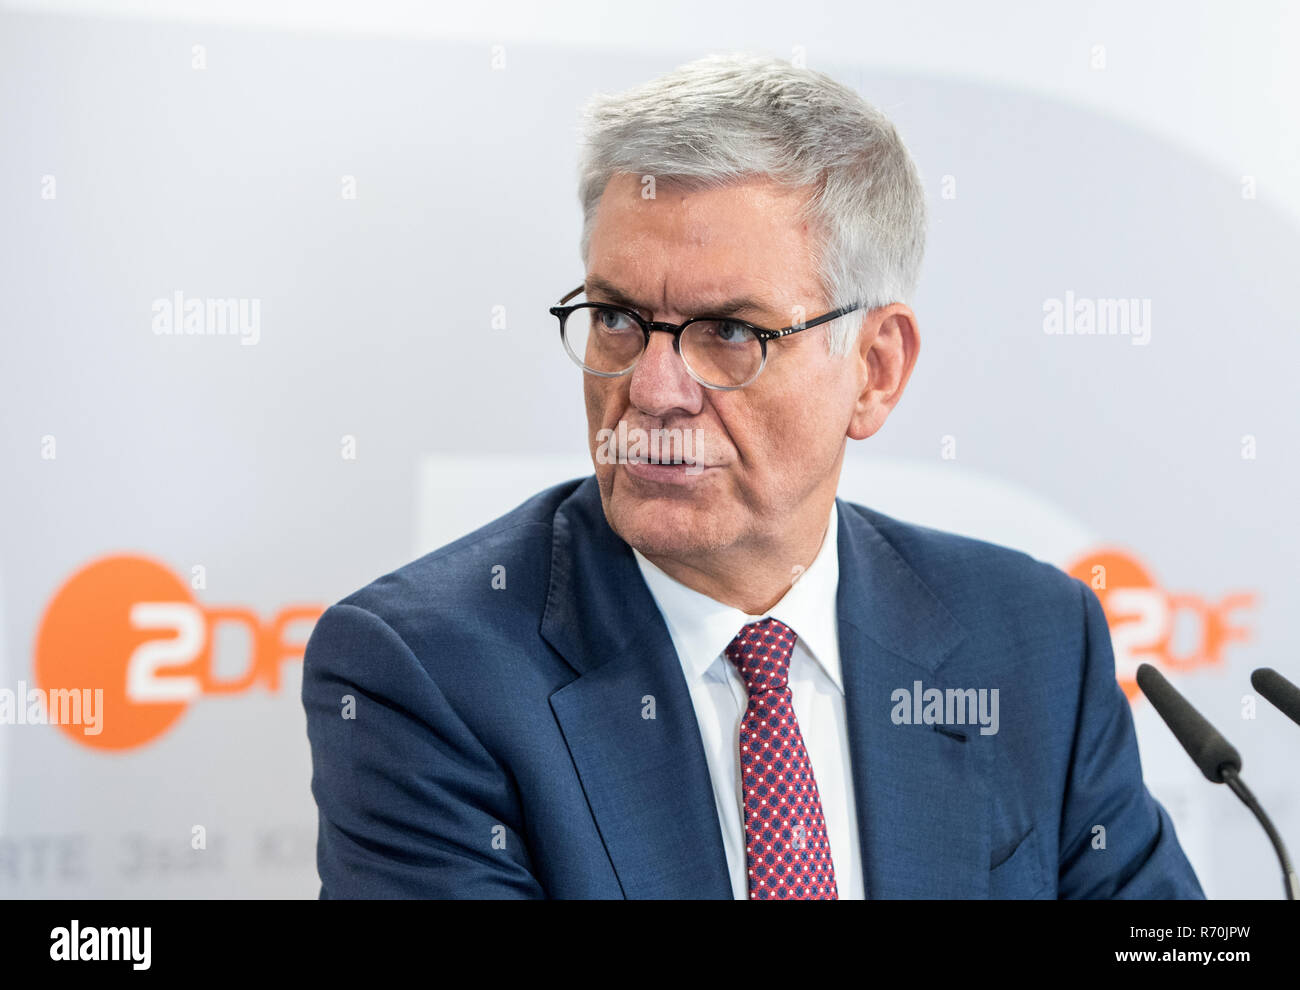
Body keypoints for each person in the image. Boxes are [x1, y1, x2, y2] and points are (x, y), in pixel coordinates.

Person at [301, 52, 1203, 899]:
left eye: (729, 332)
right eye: (616, 317)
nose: (652, 391)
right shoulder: (426, 674)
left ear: (876, 369)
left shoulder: (1033, 641)